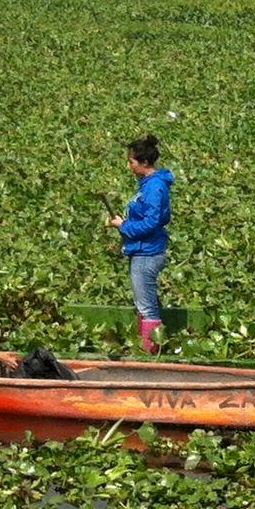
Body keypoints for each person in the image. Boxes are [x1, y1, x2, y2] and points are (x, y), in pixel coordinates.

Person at [107, 134, 174, 353]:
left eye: (132, 162)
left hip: (148, 252)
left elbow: (152, 222)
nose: (129, 166)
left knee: (146, 306)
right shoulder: (149, 185)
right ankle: (148, 347)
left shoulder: (154, 187)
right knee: (145, 302)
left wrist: (123, 227)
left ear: (144, 163)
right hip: (142, 250)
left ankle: (151, 352)